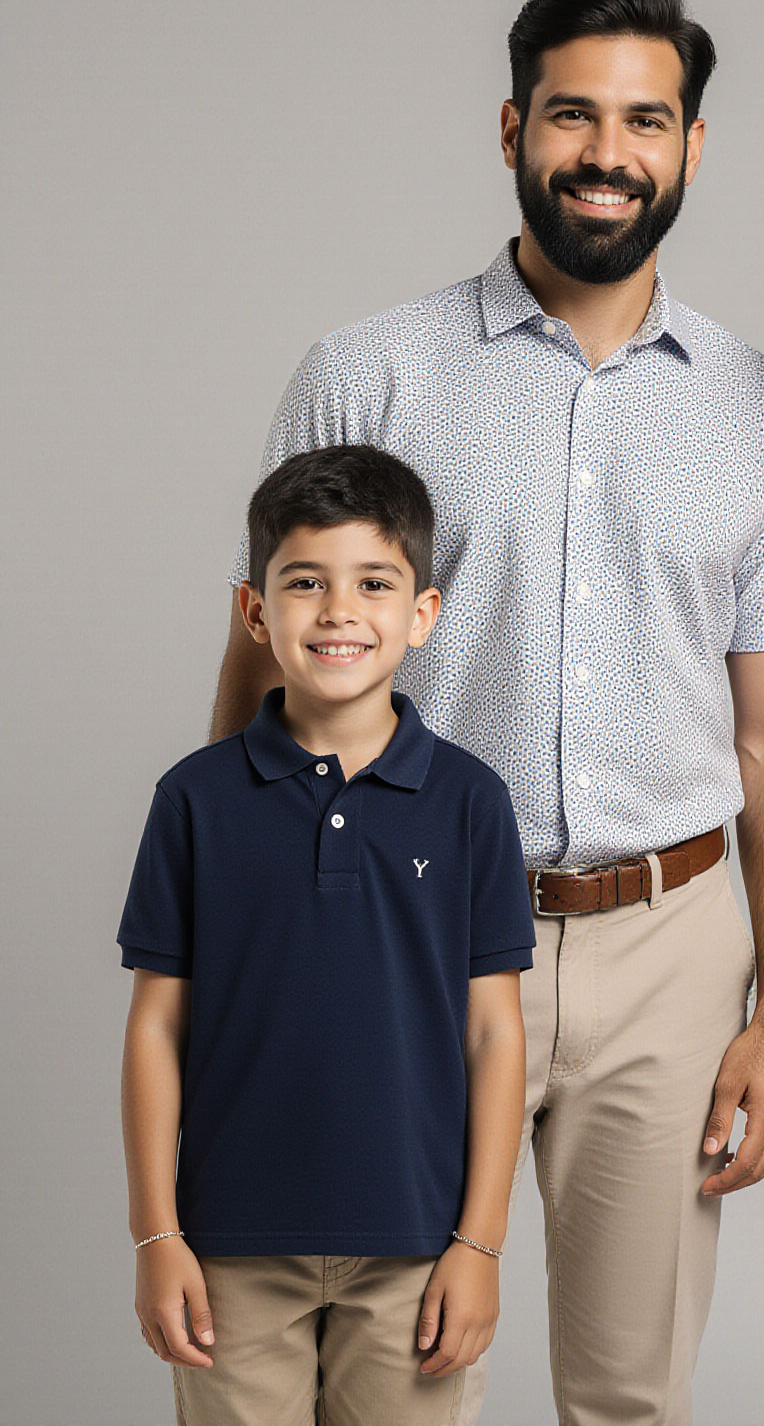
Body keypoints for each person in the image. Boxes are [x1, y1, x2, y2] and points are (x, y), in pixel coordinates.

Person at [209, 0, 764, 1426]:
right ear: (511, 129)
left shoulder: (762, 413)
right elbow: (263, 676)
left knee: (632, 1396)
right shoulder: (367, 374)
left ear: (691, 146)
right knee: (399, 1380)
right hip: (408, 934)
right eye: (571, 115)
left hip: (673, 951)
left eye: (645, 120)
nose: (607, 152)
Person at [119, 444, 534, 1424]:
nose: (340, 610)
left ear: (422, 615)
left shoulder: (472, 802)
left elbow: (495, 1034)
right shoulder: (194, 800)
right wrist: (156, 1236)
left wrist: (480, 1245)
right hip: (229, 1247)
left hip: (417, 1248)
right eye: (305, 582)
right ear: (255, 612)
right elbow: (155, 1029)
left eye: (374, 583)